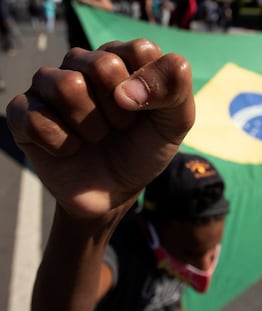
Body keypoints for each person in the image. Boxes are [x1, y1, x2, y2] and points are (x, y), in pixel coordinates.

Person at [6, 38, 197, 311]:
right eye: (191, 252)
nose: (202, 266)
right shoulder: (126, 255)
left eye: (212, 250)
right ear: (155, 227)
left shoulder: (174, 270)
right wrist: (85, 225)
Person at [95, 151, 229, 310]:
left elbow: (172, 300)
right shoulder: (118, 252)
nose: (205, 268)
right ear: (148, 228)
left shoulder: (178, 243)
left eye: (212, 251)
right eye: (190, 254)